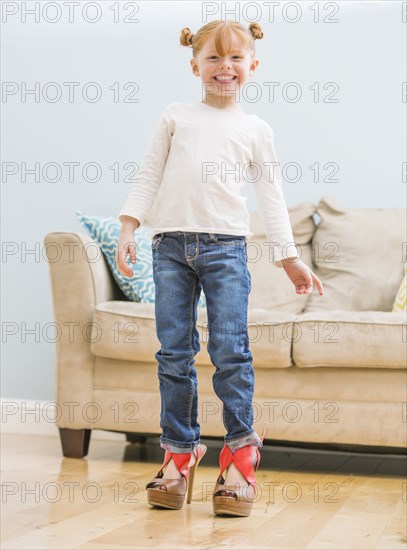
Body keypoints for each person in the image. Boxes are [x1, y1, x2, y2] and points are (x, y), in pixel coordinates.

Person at [115, 19, 324, 517]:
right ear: (194, 65)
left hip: (227, 251)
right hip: (169, 248)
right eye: (213, 58)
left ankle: (241, 455)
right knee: (174, 353)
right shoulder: (176, 116)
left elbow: (271, 197)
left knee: (231, 351)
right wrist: (128, 227)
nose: (224, 68)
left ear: (253, 65)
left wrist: (289, 256)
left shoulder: (255, 129)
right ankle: (179, 453)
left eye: (235, 59)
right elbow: (149, 173)